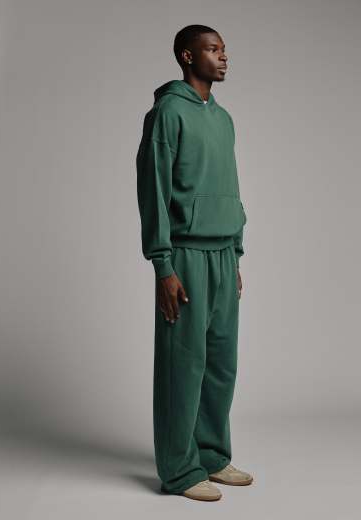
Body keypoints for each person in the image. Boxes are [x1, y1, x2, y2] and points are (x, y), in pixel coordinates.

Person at [136, 24, 252, 501]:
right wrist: (163, 266)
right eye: (212, 49)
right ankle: (179, 469)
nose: (223, 57)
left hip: (223, 253)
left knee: (221, 364)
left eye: (224, 49)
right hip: (184, 255)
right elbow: (154, 190)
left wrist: (236, 252)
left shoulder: (223, 119)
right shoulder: (167, 113)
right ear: (187, 56)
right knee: (183, 365)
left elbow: (231, 185)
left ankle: (211, 455)